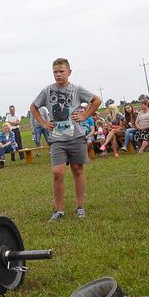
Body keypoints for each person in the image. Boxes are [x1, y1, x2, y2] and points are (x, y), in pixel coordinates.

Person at [31, 58, 101, 221]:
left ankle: (80, 206)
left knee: (77, 169)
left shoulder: (77, 89)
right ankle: (59, 210)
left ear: (69, 72)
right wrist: (42, 123)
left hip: (76, 136)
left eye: (61, 71)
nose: (58, 74)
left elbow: (96, 100)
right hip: (56, 138)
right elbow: (34, 107)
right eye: (55, 72)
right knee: (57, 172)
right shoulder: (47, 91)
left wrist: (84, 115)